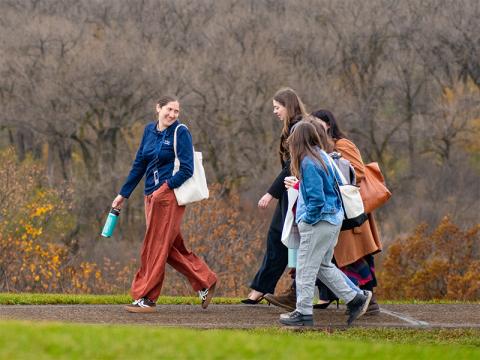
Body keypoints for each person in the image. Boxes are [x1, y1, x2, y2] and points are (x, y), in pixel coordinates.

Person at [266, 110, 382, 314]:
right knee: (323, 266)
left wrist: (307, 220)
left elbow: (318, 198)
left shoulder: (309, 161)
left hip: (319, 221)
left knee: (305, 267)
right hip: (332, 220)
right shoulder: (322, 156)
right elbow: (323, 186)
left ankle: (302, 313)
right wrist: (299, 185)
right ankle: (356, 298)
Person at [112, 95, 218, 313]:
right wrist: (124, 194)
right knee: (168, 247)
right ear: (157, 108)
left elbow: (187, 169)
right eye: (168, 109)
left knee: (155, 246)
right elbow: (139, 164)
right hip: (150, 196)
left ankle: (147, 298)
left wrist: (164, 188)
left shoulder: (181, 132)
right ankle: (205, 280)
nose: (172, 115)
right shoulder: (149, 130)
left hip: (168, 197)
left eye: (176, 111)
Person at [241, 88, 307, 304]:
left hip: (299, 194)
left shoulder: (299, 128)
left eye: (277, 107)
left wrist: (270, 194)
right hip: (292, 193)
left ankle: (260, 290)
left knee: (284, 239)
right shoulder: (292, 128)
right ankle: (261, 288)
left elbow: (291, 166)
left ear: (288, 106)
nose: (275, 112)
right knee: (286, 240)